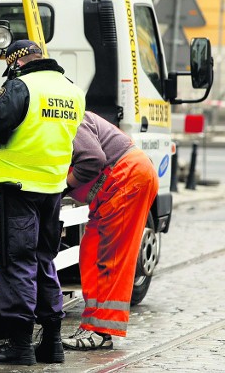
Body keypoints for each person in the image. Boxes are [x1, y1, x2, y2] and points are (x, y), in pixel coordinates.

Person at [0, 39, 86, 366]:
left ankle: (20, 345)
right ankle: (52, 343)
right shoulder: (72, 90)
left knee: (18, 261)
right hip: (53, 187)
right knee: (43, 259)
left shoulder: (21, 87)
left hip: (19, 186)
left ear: (15, 62)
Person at [62, 110, 159, 351]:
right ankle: (93, 326)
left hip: (126, 179)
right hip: (116, 184)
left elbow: (92, 160)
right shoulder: (62, 117)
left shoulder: (69, 117)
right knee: (92, 254)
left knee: (110, 258)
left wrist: (62, 187)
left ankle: (101, 331)